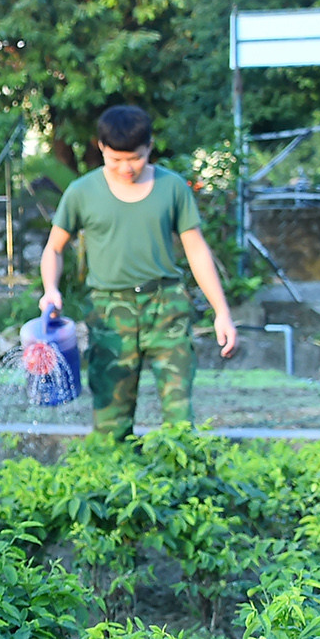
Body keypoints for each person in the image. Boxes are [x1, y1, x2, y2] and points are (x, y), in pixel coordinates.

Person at [40, 106, 239, 437]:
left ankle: (179, 482)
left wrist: (222, 312)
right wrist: (51, 288)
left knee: (179, 416)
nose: (125, 168)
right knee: (110, 417)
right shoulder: (82, 192)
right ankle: (112, 480)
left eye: (135, 158)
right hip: (108, 311)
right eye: (115, 159)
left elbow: (196, 249)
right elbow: (54, 249)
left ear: (149, 146)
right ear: (101, 148)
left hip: (167, 305)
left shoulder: (173, 187)